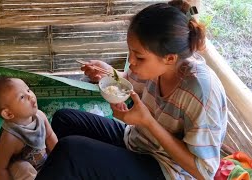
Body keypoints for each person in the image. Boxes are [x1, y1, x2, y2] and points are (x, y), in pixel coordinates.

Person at [36, 0, 228, 179]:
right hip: (139, 141)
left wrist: (148, 122)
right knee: (64, 119)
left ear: (170, 58)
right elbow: (127, 82)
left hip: (167, 169)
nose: (132, 63)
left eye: (139, 57)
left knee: (72, 151)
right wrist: (108, 73)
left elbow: (204, 171)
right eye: (130, 52)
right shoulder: (155, 66)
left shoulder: (201, 90)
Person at [0, 77, 58, 180]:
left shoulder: (40, 116)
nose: (30, 96)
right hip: (16, 167)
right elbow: (0, 167)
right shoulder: (10, 137)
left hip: (39, 159)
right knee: (24, 169)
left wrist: (59, 157)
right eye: (22, 97)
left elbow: (50, 136)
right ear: (8, 113)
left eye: (28, 90)